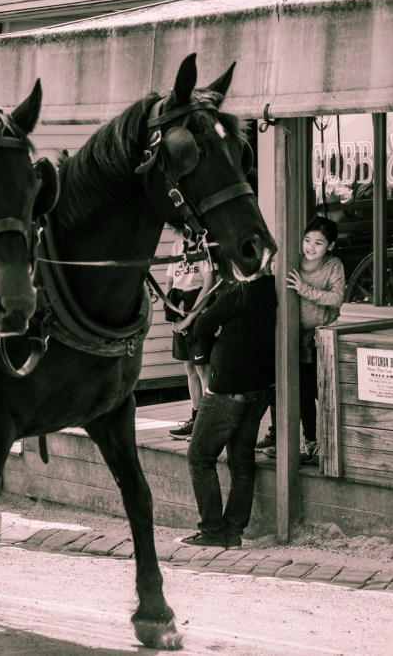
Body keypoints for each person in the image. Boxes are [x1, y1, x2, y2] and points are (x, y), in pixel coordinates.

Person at [179, 271, 277, 549]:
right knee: (242, 462)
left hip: (228, 388)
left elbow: (200, 327)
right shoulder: (271, 287)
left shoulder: (238, 293)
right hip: (260, 387)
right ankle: (233, 533)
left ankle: (212, 531)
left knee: (199, 457)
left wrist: (221, 324)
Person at [262, 216, 345, 465]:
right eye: (307, 240)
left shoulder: (333, 266)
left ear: (330, 246)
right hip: (294, 336)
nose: (311, 247)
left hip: (322, 338)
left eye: (318, 243)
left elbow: (337, 298)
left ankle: (332, 443)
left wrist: (304, 289)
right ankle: (309, 443)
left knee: (325, 391)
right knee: (301, 392)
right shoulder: (292, 261)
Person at [164, 230, 216, 440]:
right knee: (189, 366)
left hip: (198, 304)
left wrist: (190, 318)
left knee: (203, 367)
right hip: (178, 304)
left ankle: (207, 421)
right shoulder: (176, 246)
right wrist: (174, 314)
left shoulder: (205, 247)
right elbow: (169, 282)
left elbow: (209, 283)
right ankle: (195, 417)